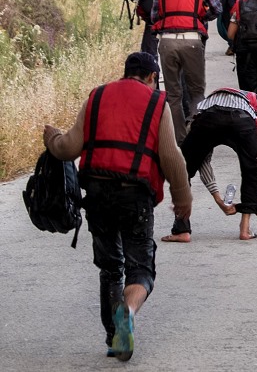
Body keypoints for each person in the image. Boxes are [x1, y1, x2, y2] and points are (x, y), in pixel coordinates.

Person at [42, 52, 192, 360]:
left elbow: (69, 146)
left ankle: (114, 336)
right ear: (152, 78)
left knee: (110, 267)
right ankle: (129, 310)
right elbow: (171, 157)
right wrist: (183, 200)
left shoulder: (96, 96)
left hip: (96, 193)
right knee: (141, 268)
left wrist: (52, 139)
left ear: (126, 73)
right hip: (134, 195)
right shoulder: (156, 103)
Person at [162, 87, 257, 243]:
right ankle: (245, 229)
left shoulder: (202, 112)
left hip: (209, 117)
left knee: (183, 170)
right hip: (242, 119)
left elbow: (202, 160)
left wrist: (218, 199)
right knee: (250, 168)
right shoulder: (256, 117)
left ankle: (181, 230)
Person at [151, 0, 222, 144]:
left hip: (166, 41)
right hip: (192, 40)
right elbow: (217, 8)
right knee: (196, 91)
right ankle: (196, 134)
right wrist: (198, 18)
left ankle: (180, 140)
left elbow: (154, 15)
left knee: (174, 94)